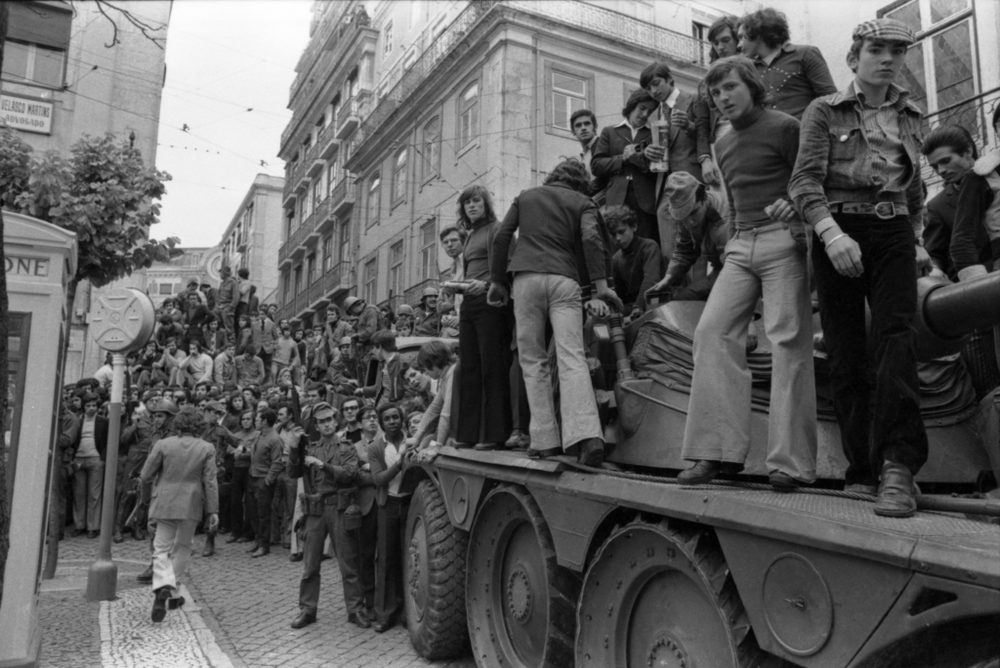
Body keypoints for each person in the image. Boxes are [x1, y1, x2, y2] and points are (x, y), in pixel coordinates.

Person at [789, 18, 931, 517]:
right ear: (855, 57)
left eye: (898, 50)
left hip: (892, 232)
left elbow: (914, 187)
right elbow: (804, 183)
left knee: (896, 340)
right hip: (838, 232)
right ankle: (861, 469)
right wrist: (830, 235)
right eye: (877, 48)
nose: (888, 58)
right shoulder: (823, 110)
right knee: (847, 353)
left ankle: (897, 465)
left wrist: (914, 238)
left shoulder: (913, 112)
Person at [677, 56, 816, 492]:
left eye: (730, 88)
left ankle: (789, 465)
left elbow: (810, 184)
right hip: (741, 244)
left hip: (783, 240)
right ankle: (717, 453)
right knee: (711, 333)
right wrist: (732, 243)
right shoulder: (721, 144)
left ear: (752, 86)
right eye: (716, 93)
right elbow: (733, 203)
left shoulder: (786, 127)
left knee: (787, 341)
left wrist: (794, 212)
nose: (722, 98)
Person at [489, 159, 623, 466]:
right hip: (565, 279)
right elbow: (591, 239)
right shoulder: (583, 201)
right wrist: (602, 286)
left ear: (553, 177)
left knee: (533, 360)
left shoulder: (525, 196)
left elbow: (502, 237)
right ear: (580, 182)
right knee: (572, 357)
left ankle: (545, 440)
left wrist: (497, 280)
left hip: (525, 279)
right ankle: (587, 437)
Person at [286, 402, 364, 630]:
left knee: (348, 563)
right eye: (321, 421)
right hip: (316, 511)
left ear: (335, 421)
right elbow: (292, 472)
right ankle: (308, 610)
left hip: (339, 508)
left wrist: (322, 465)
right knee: (311, 564)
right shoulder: (308, 448)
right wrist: (293, 447)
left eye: (330, 419)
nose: (327, 424)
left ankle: (355, 610)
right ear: (316, 426)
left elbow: (350, 474)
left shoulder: (347, 447)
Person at [139, 405, 218, 622]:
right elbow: (210, 481)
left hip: (164, 499)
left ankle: (164, 585)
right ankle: (171, 589)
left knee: (161, 547)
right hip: (191, 502)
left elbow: (145, 476)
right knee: (183, 546)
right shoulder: (207, 447)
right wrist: (213, 510)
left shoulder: (163, 444)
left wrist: (147, 498)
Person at [454, 185, 518, 449]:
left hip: (490, 303)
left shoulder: (497, 229)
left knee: (493, 367)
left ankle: (496, 435)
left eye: (476, 201)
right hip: (469, 303)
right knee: (469, 368)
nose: (471, 206)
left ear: (486, 204)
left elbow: (510, 264)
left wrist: (492, 282)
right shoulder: (470, 235)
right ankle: (468, 434)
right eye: (467, 203)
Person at [640, 60, 705, 261]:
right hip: (666, 185)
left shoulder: (693, 99)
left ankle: (698, 290)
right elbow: (659, 148)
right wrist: (649, 152)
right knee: (669, 243)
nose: (653, 90)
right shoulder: (653, 116)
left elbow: (706, 136)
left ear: (670, 79)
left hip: (691, 179)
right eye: (648, 88)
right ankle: (675, 287)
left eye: (657, 83)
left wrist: (689, 126)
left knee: (696, 239)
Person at [737, 7, 838, 121]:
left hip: (805, 134)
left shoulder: (806, 54)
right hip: (766, 136)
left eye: (741, 37)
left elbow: (830, 98)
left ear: (757, 33)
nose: (739, 45)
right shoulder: (750, 69)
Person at [647, 172, 730, 302]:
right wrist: (669, 278)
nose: (690, 222)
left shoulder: (724, 223)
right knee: (682, 299)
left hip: (735, 271)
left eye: (694, 212)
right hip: (721, 270)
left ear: (704, 198)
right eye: (683, 217)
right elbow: (685, 249)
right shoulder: (687, 217)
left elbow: (734, 273)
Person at [592, 89, 661, 246]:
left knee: (645, 249)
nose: (644, 115)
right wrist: (622, 159)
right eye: (642, 108)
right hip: (616, 201)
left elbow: (659, 174)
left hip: (645, 205)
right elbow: (596, 165)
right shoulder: (610, 132)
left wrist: (641, 164)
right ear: (632, 106)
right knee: (615, 251)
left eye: (649, 111)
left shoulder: (654, 135)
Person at [918, 125, 986, 280]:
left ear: (968, 152)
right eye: (935, 166)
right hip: (979, 290)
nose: (941, 170)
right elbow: (935, 256)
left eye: (946, 160)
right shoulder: (937, 205)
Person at [366, 403, 408, 632]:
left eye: (396, 417)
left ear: (401, 420)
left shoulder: (412, 441)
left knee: (408, 559)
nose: (392, 421)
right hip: (388, 505)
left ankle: (406, 613)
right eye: (388, 419)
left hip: (410, 505)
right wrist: (400, 464)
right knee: (385, 560)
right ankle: (384, 614)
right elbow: (379, 479)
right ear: (381, 424)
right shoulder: (375, 448)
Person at [606, 205, 662, 318]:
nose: (618, 238)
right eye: (613, 235)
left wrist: (638, 306)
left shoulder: (648, 247)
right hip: (632, 307)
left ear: (634, 226)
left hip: (655, 301)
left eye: (621, 232)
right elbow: (620, 295)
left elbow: (651, 280)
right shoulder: (616, 259)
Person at [199, 401, 238, 556]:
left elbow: (237, 441)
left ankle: (210, 539)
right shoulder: (196, 429)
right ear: (206, 412)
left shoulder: (221, 431)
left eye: (219, 414)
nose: (217, 416)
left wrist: (240, 448)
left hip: (214, 472)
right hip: (195, 471)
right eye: (215, 413)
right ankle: (185, 540)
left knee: (212, 506)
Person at [247, 408, 285, 557]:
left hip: (264, 480)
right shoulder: (259, 435)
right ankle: (258, 540)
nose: (254, 421)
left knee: (264, 514)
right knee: (254, 512)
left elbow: (277, 463)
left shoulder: (275, 439)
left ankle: (264, 545)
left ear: (264, 422)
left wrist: (268, 481)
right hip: (253, 477)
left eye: (257, 419)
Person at [71, 393, 109, 538]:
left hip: (95, 460)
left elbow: (106, 442)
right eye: (88, 405)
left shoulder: (103, 421)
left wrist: (102, 459)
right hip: (78, 460)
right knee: (78, 494)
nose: (91, 408)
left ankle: (93, 527)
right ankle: (79, 525)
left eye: (94, 405)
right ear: (83, 407)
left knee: (94, 495)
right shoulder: (78, 420)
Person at [408, 341, 458, 450]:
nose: (425, 372)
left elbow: (446, 413)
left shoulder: (453, 373)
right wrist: (417, 437)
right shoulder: (445, 376)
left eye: (424, 368)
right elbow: (434, 409)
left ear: (432, 363)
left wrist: (437, 447)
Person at [227, 409, 258, 545]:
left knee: (250, 502)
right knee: (235, 501)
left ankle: (248, 532)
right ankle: (236, 531)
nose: (245, 421)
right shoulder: (237, 435)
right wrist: (242, 450)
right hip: (237, 469)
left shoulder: (257, 434)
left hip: (250, 469)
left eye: (248, 419)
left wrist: (242, 450)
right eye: (243, 419)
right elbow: (229, 449)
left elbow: (255, 452)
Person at [438, 225, 469, 337]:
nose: (449, 245)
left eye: (454, 240)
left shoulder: (469, 262)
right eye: (445, 242)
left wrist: (461, 317)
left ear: (464, 241)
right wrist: (450, 316)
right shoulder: (454, 267)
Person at [571, 108, 607, 203]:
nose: (583, 128)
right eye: (578, 125)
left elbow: (605, 177)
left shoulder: (601, 144)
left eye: (587, 123)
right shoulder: (584, 154)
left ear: (595, 127)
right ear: (573, 131)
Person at [216, 266, 239, 336]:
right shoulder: (222, 283)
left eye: (221, 273)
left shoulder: (233, 283)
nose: (220, 274)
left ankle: (231, 345)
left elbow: (236, 298)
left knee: (229, 329)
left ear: (225, 273)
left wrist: (229, 308)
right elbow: (219, 296)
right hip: (220, 308)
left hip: (227, 308)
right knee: (217, 326)